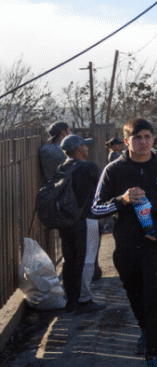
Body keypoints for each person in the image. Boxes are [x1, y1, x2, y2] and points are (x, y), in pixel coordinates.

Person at [91, 118, 157, 367]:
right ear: (126, 140)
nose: (143, 142)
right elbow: (95, 208)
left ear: (154, 139)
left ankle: (153, 358)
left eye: (147, 137)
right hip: (125, 247)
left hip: (155, 246)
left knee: (154, 299)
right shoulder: (114, 169)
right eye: (137, 137)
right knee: (134, 295)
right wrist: (122, 200)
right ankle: (144, 329)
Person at [57, 134, 105, 313]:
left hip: (67, 222)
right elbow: (102, 191)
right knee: (87, 259)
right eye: (84, 146)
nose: (87, 148)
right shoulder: (89, 168)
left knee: (69, 260)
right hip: (87, 220)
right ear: (79, 150)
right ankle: (84, 300)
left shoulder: (61, 168)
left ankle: (71, 300)